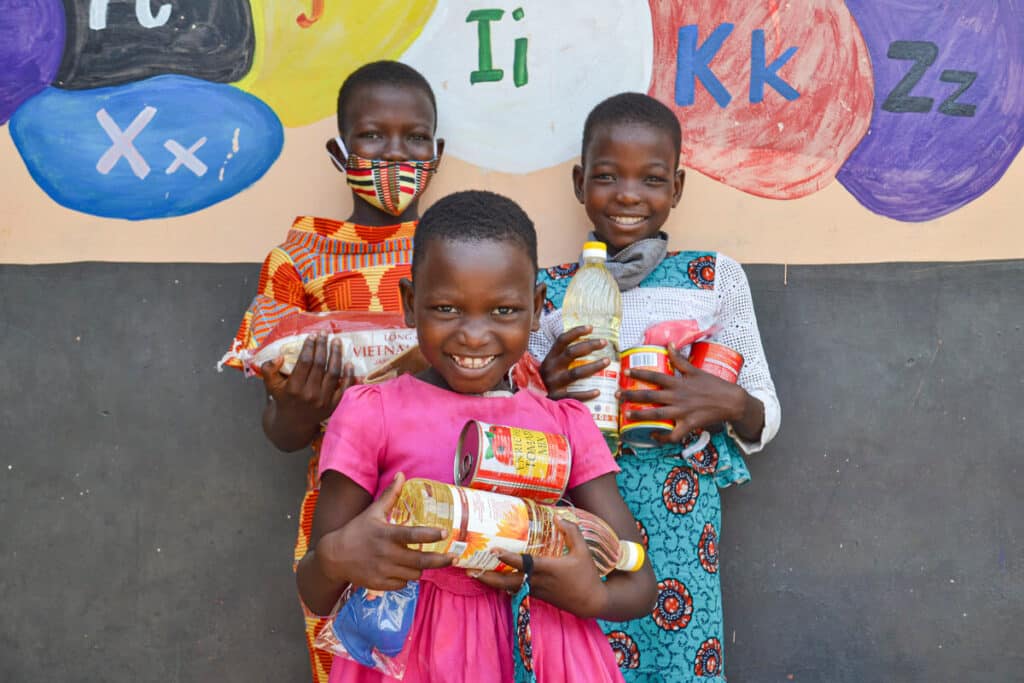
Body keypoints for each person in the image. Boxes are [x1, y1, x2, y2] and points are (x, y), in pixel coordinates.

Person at [297, 190, 657, 682]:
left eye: (503, 311)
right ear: (409, 304)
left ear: (535, 309)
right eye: (446, 308)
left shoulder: (565, 424)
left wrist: (593, 595)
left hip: (545, 654)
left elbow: (638, 581)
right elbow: (316, 589)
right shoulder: (372, 414)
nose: (472, 335)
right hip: (415, 660)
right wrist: (342, 555)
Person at [528, 93, 781, 682]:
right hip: (574, 510)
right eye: (607, 176)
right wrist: (543, 387)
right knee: (570, 655)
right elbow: (510, 416)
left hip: (680, 510)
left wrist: (729, 402)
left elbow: (765, 414)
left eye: (652, 178)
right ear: (579, 181)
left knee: (677, 661)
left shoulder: (713, 279)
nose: (627, 194)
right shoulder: (544, 289)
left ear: (679, 187)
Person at [224, 61, 444, 683]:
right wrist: (299, 405)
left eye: (416, 138)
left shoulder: (463, 250)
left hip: (457, 504)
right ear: (339, 151)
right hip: (340, 518)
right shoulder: (298, 261)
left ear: (438, 152)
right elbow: (283, 431)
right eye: (373, 137)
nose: (396, 152)